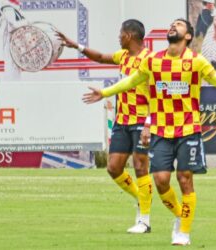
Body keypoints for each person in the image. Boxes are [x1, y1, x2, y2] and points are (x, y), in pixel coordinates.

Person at [82, 18, 216, 246]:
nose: (173, 26)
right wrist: (105, 93)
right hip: (160, 131)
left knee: (185, 179)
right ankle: (179, 215)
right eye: (172, 24)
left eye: (179, 24)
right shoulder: (154, 61)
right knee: (161, 181)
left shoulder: (196, 62)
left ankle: (183, 232)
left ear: (188, 36)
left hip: (188, 130)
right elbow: (131, 81)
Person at [56, 19, 153, 233]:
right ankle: (141, 197)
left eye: (121, 33)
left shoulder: (151, 60)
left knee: (140, 167)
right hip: (122, 120)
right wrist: (77, 46)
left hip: (142, 121)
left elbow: (158, 96)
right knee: (113, 168)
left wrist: (149, 124)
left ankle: (144, 221)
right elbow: (100, 57)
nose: (118, 37)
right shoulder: (123, 57)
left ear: (129, 35)